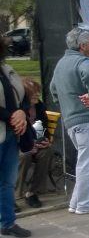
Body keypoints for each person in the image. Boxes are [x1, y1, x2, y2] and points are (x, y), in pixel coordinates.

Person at [50, 27, 89, 215]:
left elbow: (53, 89)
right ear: (83, 46)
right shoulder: (84, 62)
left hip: (71, 121)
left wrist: (66, 104)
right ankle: (85, 204)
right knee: (88, 164)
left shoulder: (61, 64)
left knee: (83, 163)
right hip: (87, 119)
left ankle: (75, 203)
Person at [0, 38, 31, 238]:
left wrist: (21, 111)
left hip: (11, 135)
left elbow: (23, 96)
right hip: (6, 126)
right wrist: (13, 116)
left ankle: (8, 223)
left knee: (7, 182)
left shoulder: (7, 69)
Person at [16, 78, 53, 209]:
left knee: (46, 152)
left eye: (38, 91)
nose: (37, 94)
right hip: (19, 146)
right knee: (24, 155)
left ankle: (32, 192)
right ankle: (14, 195)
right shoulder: (17, 109)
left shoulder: (40, 107)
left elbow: (45, 128)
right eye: (33, 92)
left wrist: (46, 141)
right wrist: (28, 144)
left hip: (36, 144)